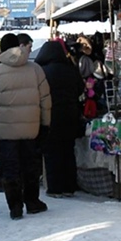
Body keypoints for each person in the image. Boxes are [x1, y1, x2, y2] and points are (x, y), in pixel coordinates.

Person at [0, 33, 52, 219]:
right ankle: (32, 202)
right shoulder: (36, 69)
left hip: (5, 131)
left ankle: (15, 207)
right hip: (32, 127)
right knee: (31, 166)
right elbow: (45, 100)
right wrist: (45, 124)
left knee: (10, 168)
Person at [35, 39, 85, 196]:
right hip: (70, 115)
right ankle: (69, 186)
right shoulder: (71, 68)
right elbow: (80, 89)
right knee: (68, 152)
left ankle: (55, 187)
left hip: (50, 115)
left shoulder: (41, 71)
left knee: (52, 153)